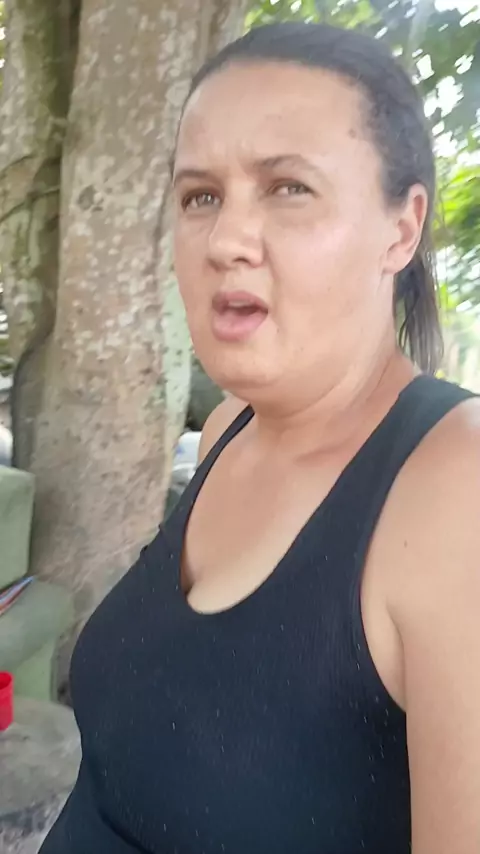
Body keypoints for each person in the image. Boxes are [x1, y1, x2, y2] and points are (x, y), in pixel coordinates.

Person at [40, 22, 480, 854]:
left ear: (402, 228)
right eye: (200, 197)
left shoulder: (456, 486)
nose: (226, 241)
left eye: (288, 188)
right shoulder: (227, 433)